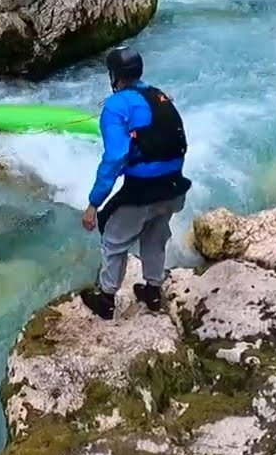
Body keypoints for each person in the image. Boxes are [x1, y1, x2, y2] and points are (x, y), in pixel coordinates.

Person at [78, 47, 192, 320]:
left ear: (114, 76)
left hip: (143, 191)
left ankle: (106, 300)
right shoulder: (159, 95)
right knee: (155, 236)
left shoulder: (116, 106)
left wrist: (94, 204)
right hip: (174, 187)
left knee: (113, 241)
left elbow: (115, 157)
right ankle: (152, 291)